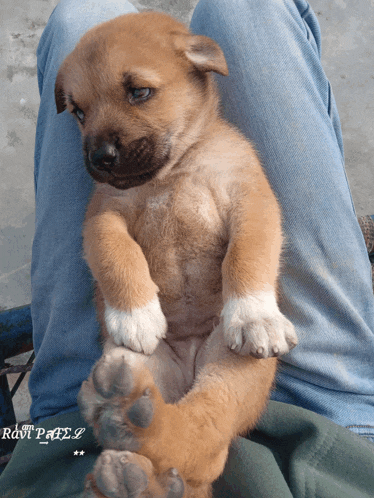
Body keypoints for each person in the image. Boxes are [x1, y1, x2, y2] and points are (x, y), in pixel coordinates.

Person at [1, 0, 374, 496]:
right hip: (324, 426)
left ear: (202, 66)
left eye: (138, 93)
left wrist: (243, 295)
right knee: (245, 7)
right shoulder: (153, 172)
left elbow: (252, 216)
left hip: (69, 437)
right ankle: (178, 454)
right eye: (81, 112)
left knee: (79, 14)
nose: (99, 145)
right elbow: (106, 227)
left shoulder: (224, 154)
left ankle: (163, 454)